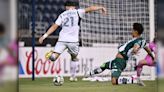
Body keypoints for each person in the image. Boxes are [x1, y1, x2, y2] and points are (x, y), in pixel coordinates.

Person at [39, 1, 107, 81]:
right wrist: (101, 7)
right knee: (74, 58)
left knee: (54, 57)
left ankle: (52, 55)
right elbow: (90, 8)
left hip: (62, 40)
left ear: (66, 7)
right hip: (73, 41)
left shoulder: (62, 15)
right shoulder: (78, 12)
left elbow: (54, 26)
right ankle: (72, 76)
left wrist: (44, 36)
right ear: (74, 6)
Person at [87, 23, 154, 85]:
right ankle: (89, 73)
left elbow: (136, 46)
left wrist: (135, 50)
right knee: (104, 66)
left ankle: (135, 80)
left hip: (120, 61)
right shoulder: (141, 41)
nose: (131, 31)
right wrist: (152, 57)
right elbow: (148, 50)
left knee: (114, 81)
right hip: (116, 60)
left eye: (132, 30)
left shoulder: (138, 41)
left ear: (136, 31)